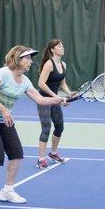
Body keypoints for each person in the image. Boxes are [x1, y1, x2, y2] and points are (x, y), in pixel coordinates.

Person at [0, 45, 65, 204]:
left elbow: (40, 99)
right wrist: (4, 110)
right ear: (17, 58)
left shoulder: (25, 81)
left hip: (5, 121)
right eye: (27, 58)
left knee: (16, 154)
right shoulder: (3, 74)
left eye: (31, 58)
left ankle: (7, 191)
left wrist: (58, 100)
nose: (31, 61)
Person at [36, 39, 73, 169]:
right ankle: (41, 158)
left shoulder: (63, 64)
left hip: (55, 99)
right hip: (44, 99)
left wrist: (69, 94)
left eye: (63, 46)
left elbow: (62, 83)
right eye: (59, 46)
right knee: (46, 128)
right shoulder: (49, 64)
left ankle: (53, 153)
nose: (62, 48)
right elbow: (41, 84)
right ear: (52, 49)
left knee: (59, 127)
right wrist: (56, 97)